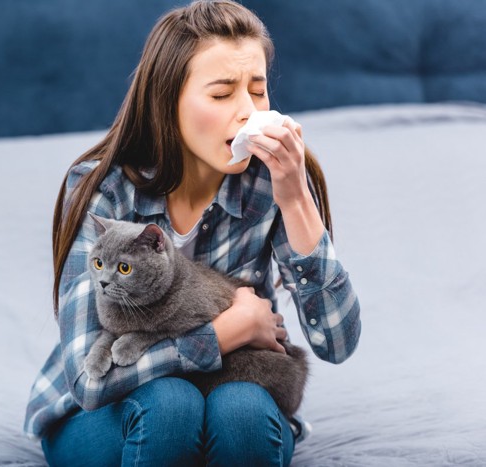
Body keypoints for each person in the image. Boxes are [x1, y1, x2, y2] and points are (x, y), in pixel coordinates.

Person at [24, 1, 361, 465]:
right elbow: (91, 381)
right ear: (168, 101)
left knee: (243, 414)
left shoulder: (271, 183)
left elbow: (337, 343)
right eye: (222, 95)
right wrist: (224, 333)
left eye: (258, 91)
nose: (248, 111)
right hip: (108, 409)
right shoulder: (101, 190)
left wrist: (296, 199)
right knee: (171, 407)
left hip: (228, 392)